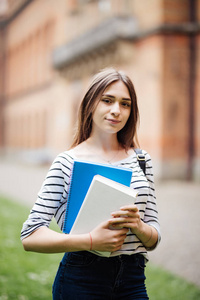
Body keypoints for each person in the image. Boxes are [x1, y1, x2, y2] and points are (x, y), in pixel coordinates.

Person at [21, 67, 161, 299]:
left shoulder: (142, 160)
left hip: (133, 279)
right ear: (90, 104)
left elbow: (154, 234)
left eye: (125, 104)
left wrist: (138, 226)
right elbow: (30, 235)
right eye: (107, 100)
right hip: (82, 279)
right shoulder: (67, 162)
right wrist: (90, 241)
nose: (116, 110)